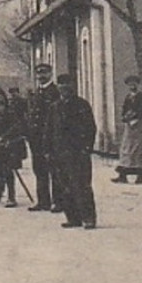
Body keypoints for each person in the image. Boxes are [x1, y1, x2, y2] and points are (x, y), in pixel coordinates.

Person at [52, 73, 98, 229]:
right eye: (61, 84)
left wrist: (87, 148)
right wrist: (48, 150)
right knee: (64, 186)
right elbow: (49, 131)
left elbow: (90, 128)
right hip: (60, 153)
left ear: (73, 87)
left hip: (78, 153)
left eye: (67, 84)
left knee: (82, 185)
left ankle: (88, 218)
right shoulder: (55, 107)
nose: (64, 88)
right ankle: (72, 218)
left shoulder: (82, 105)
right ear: (58, 87)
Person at [25, 64, 60, 212]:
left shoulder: (55, 92)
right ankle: (43, 201)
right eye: (38, 74)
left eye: (44, 74)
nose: (40, 77)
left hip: (50, 138)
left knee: (54, 170)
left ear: (51, 74)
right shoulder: (36, 93)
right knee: (39, 169)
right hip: (36, 138)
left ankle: (58, 202)